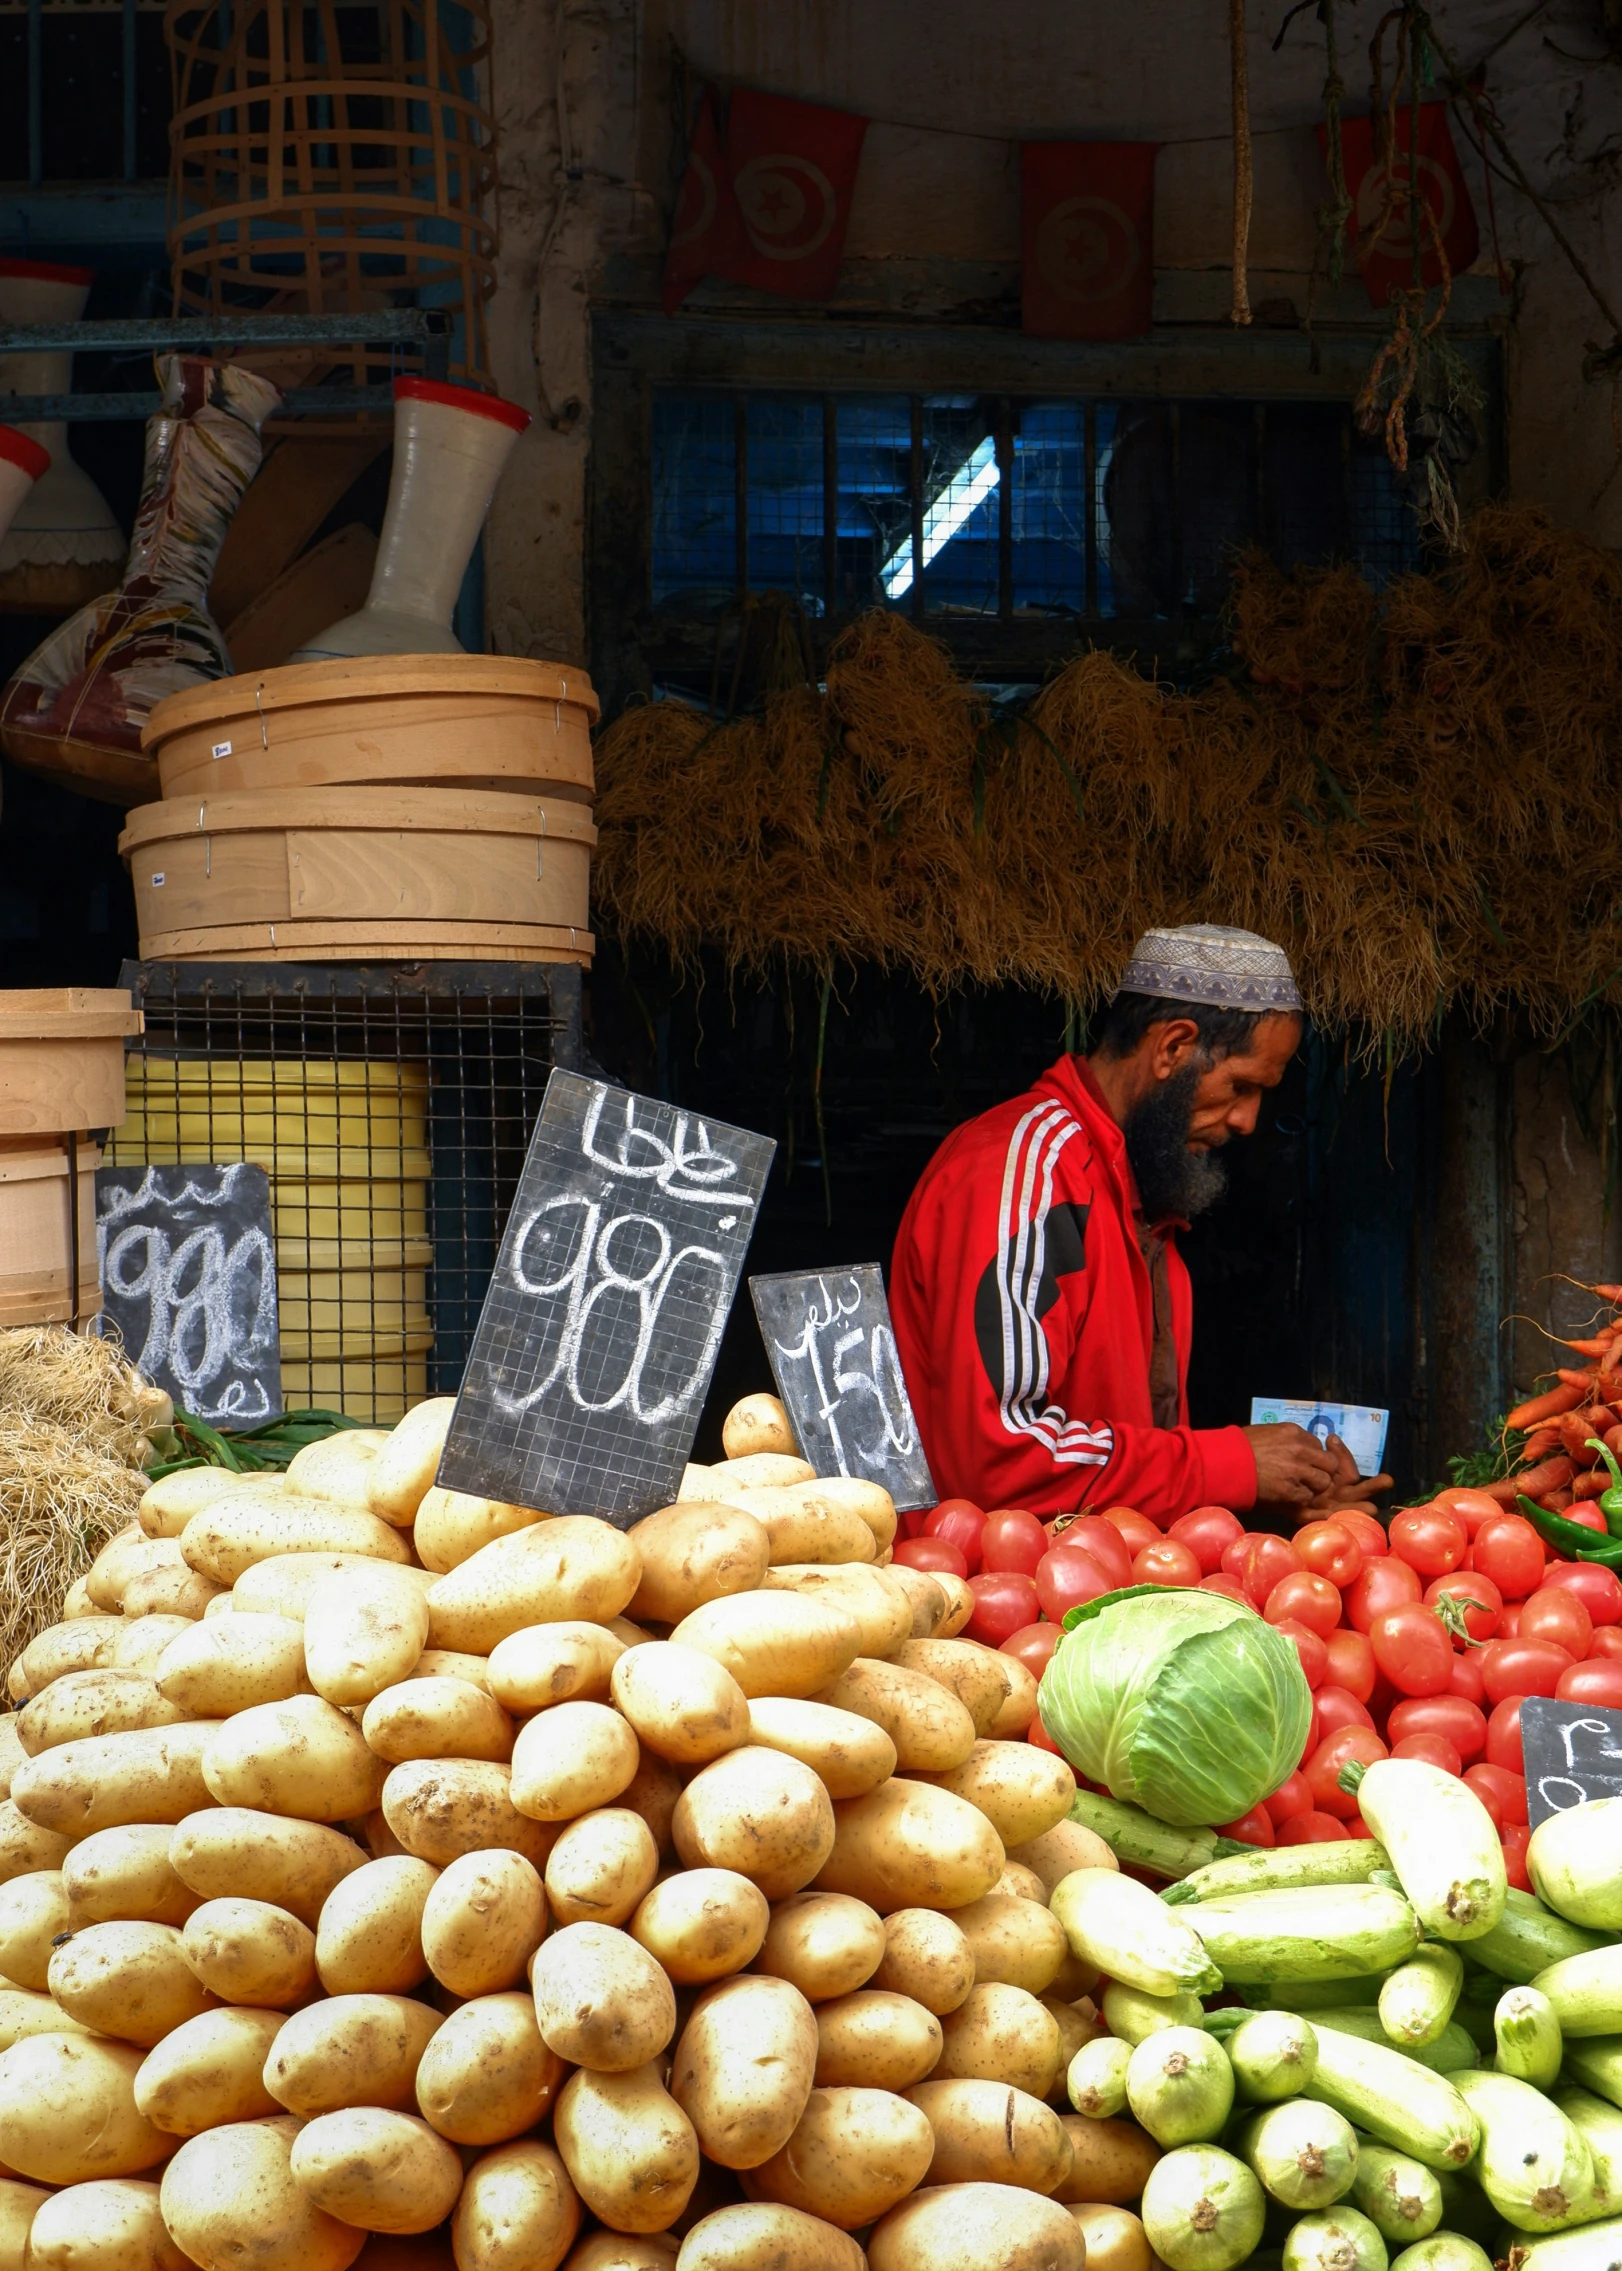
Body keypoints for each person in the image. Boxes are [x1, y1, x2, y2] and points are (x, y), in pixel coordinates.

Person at [890, 922, 1389, 1526]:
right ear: (1173, 1047)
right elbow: (1000, 1462)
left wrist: (1280, 1489)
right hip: (989, 1602)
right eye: (1242, 1086)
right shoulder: (1027, 1172)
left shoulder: (1146, 1211)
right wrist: (1226, 1463)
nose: (1248, 1121)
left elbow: (1135, 1482)